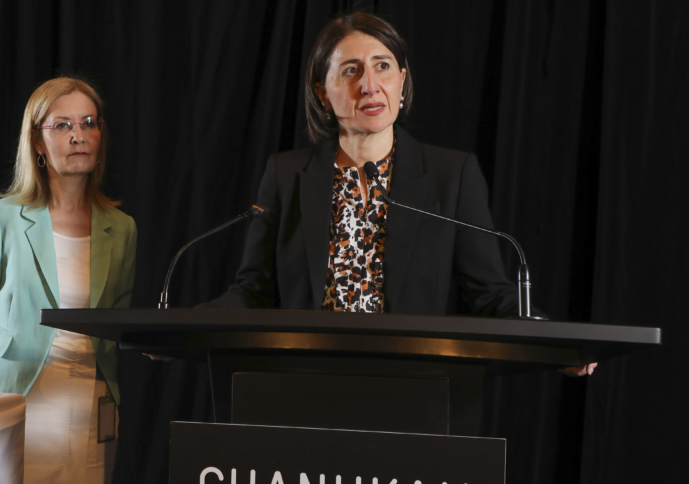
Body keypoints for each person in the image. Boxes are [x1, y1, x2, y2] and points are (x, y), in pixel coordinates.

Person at [208, 12, 594, 375]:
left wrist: (553, 342)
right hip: (306, 384)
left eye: (383, 66)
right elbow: (253, 290)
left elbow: (490, 295)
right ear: (323, 93)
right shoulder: (287, 175)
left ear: (402, 80)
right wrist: (185, 327)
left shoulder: (450, 175)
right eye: (350, 71)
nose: (370, 85)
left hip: (413, 389)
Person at [0, 77, 137, 484]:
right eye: (63, 125)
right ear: (37, 140)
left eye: (89, 123)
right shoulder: (1, 217)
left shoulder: (122, 228)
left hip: (93, 403)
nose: (79, 135)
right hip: (18, 401)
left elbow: (117, 323)